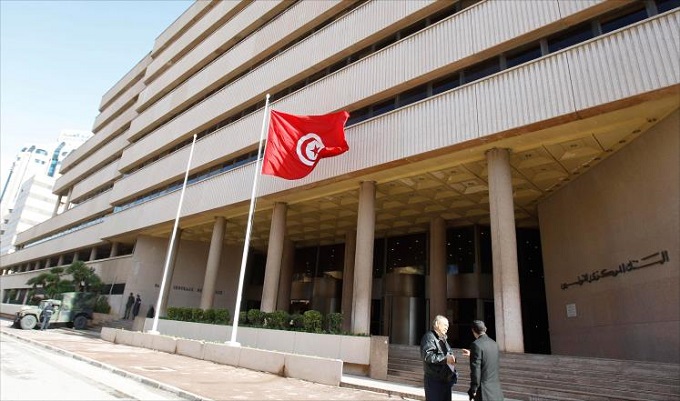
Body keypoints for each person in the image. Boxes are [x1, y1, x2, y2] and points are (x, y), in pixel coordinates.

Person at [420, 315, 458, 401]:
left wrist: (453, 368)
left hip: (446, 379)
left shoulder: (443, 339)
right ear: (437, 324)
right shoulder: (429, 337)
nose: (447, 327)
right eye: (445, 325)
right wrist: (445, 359)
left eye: (448, 325)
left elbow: (449, 354)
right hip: (434, 380)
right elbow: (428, 356)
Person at [466, 320, 503, 401]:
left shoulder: (476, 344)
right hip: (496, 389)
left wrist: (474, 387)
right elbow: (488, 358)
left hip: (483, 390)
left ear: (473, 330)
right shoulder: (494, 343)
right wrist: (472, 354)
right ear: (485, 329)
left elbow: (476, 369)